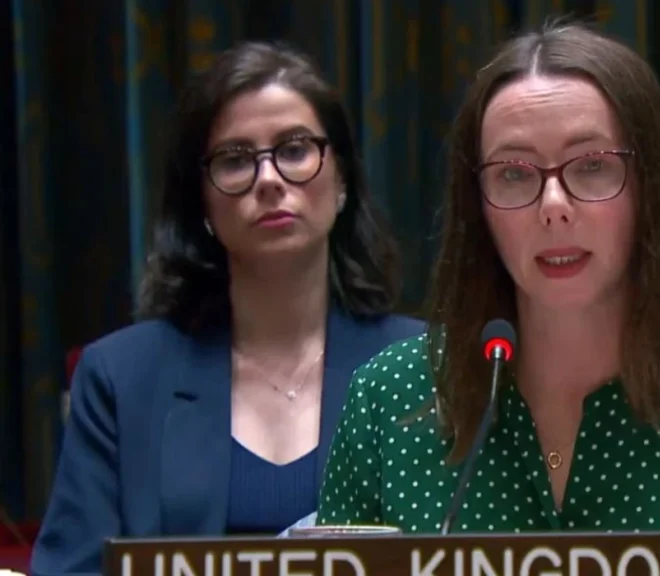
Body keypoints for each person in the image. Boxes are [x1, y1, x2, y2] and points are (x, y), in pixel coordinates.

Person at [315, 22, 660, 575]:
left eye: (592, 166)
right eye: (514, 173)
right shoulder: (388, 399)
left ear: (652, 187)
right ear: (478, 206)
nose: (553, 205)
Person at [31, 41, 424, 575]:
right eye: (235, 160)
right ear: (203, 205)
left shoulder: (425, 368)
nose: (269, 180)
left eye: (294, 150)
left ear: (341, 182)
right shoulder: (121, 379)